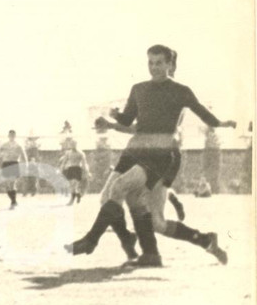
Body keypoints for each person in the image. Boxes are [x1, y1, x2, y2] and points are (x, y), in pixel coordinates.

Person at [66, 45, 235, 267]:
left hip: (160, 153)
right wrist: (113, 119)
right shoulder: (138, 89)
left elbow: (203, 112)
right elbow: (128, 120)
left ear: (170, 65)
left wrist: (221, 123)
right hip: (133, 150)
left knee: (119, 188)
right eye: (150, 62)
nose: (154, 67)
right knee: (153, 220)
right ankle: (195, 243)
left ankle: (90, 241)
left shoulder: (181, 91)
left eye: (159, 63)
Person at [0, 130, 28, 209]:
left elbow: (23, 155)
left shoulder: (18, 145)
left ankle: (13, 202)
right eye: (10, 135)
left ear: (15, 136)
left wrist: (26, 164)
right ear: (8, 136)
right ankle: (14, 201)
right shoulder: (4, 145)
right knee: (7, 184)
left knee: (12, 183)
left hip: (14, 163)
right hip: (6, 163)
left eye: (13, 135)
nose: (11, 137)